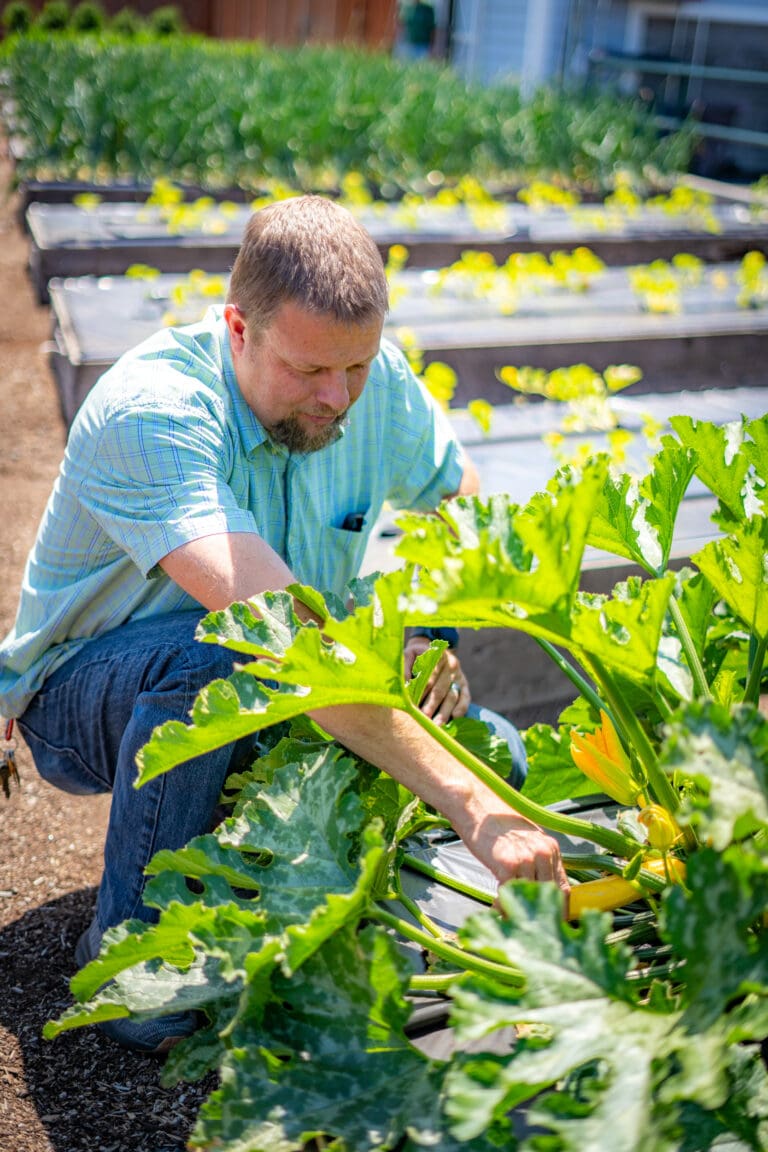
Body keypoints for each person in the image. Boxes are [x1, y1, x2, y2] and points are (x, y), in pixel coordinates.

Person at [0, 195, 567, 1053]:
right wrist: (475, 809)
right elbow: (286, 641)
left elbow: (463, 506)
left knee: (493, 743)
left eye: (357, 367)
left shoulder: (372, 385)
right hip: (86, 696)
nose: (337, 397)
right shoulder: (151, 413)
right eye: (308, 371)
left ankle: (280, 919)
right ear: (238, 327)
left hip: (275, 676)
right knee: (226, 656)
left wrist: (427, 630)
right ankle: (133, 968)